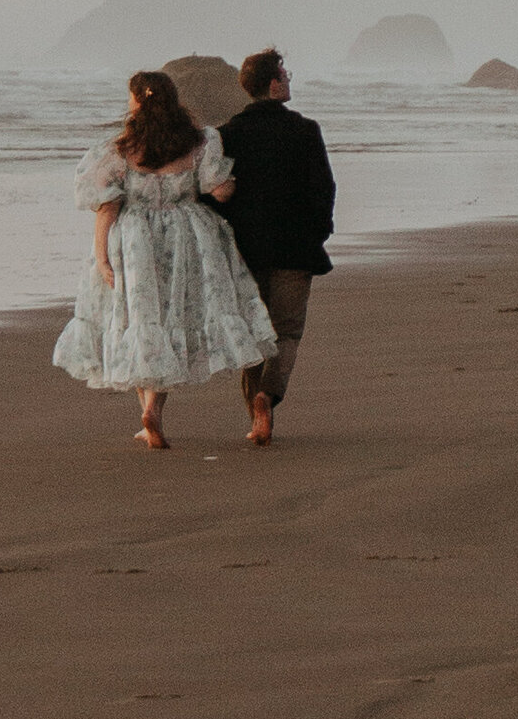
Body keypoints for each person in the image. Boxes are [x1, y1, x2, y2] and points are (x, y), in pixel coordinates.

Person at [52, 69, 277, 449]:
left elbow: (106, 206)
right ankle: (153, 408)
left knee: (141, 317)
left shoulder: (119, 148)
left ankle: (150, 410)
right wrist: (233, 183)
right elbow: (218, 191)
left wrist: (102, 257)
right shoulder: (199, 141)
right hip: (189, 235)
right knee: (175, 315)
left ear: (137, 102)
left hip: (134, 239)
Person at [216, 48, 336, 447]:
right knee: (286, 331)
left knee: (252, 332)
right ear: (273, 84)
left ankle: (255, 413)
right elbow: (324, 190)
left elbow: (213, 193)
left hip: (244, 249)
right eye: (286, 73)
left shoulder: (228, 133)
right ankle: (269, 396)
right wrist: (319, 232)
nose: (289, 79)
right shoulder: (305, 130)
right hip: (295, 248)